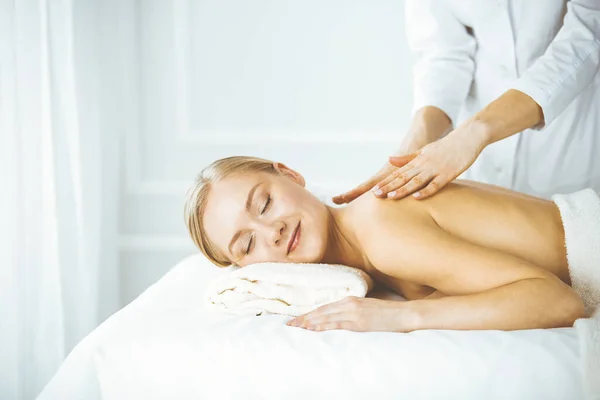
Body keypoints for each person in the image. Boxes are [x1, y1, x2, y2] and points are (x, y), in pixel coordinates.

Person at [184, 156, 587, 333]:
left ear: (290, 174)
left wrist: (401, 318)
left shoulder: (377, 225)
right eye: (247, 243)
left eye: (265, 202)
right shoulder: (361, 254)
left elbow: (558, 301)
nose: (270, 230)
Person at [334, 0, 600, 205]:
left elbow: (588, 34)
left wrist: (473, 134)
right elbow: (443, 56)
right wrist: (413, 147)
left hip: (573, 138)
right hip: (476, 160)